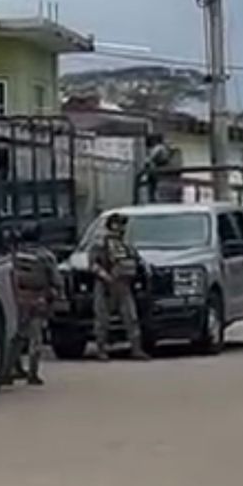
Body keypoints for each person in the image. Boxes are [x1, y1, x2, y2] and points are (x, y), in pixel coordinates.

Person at [89, 211, 149, 362]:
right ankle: (101, 349)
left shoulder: (126, 244)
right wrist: (105, 277)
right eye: (118, 224)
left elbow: (135, 260)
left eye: (123, 225)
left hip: (124, 285)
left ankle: (136, 348)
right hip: (105, 286)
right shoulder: (100, 243)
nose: (121, 228)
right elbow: (93, 265)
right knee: (103, 319)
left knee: (131, 317)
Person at [9, 221, 62, 386]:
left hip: (18, 298)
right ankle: (32, 373)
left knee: (17, 336)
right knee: (36, 338)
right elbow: (56, 279)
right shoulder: (45, 256)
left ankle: (9, 370)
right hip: (38, 299)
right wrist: (56, 294)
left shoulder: (14, 255)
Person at [141, 134, 184, 203]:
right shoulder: (176, 150)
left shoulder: (160, 149)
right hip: (173, 183)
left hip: (164, 183)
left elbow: (149, 161)